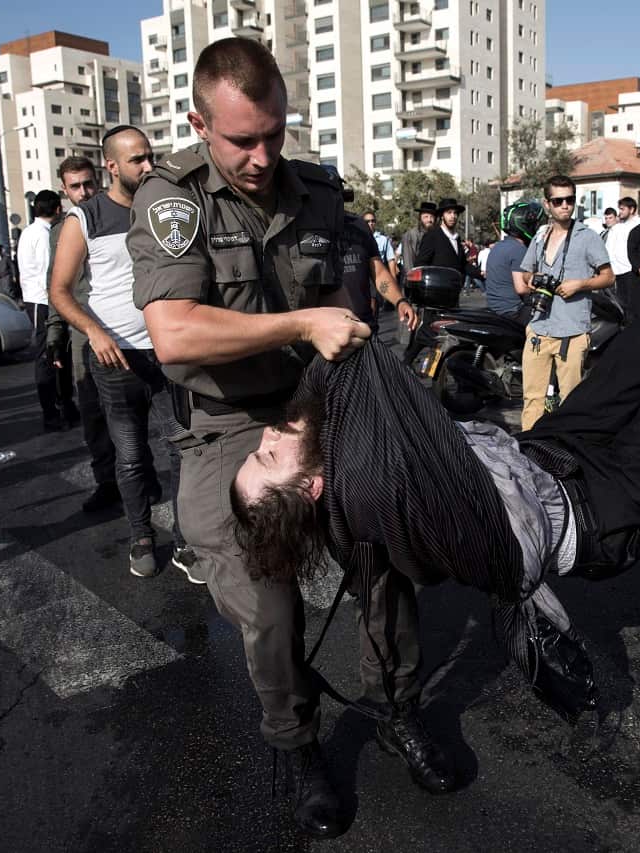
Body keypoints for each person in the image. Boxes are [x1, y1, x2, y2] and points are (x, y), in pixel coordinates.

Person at [229, 239, 640, 755]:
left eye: (259, 449)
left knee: (639, 349)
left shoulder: (338, 451)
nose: (267, 437)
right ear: (310, 489)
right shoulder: (367, 486)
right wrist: (315, 325)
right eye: (268, 459)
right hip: (601, 516)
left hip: (551, 459)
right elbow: (367, 364)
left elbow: (333, 378)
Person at [127, 38, 440, 839]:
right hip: (227, 423)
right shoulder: (173, 200)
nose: (264, 155)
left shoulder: (320, 193)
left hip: (317, 401)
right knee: (269, 596)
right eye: (241, 140)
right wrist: (301, 321)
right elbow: (175, 335)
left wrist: (328, 394)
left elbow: (347, 300)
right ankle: (296, 742)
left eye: (275, 133)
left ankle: (395, 702)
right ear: (200, 123)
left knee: (384, 540)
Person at [50, 126, 194, 580]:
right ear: (112, 166)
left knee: (183, 451)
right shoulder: (85, 219)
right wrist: (94, 332)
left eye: (150, 156)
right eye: (137, 160)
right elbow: (59, 290)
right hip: (117, 359)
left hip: (170, 352)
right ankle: (141, 536)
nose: (148, 166)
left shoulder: (166, 209)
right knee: (131, 456)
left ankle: (188, 542)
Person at [44, 155, 120, 514]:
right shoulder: (63, 230)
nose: (84, 191)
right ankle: (107, 482)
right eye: (75, 186)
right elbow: (57, 288)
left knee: (136, 408)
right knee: (92, 411)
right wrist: (54, 338)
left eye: (89, 183)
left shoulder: (119, 212)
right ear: (64, 190)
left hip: (125, 326)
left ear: (100, 178)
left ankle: (141, 475)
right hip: (82, 331)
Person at [514, 175, 615, 430]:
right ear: (547, 204)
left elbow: (608, 277)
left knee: (571, 403)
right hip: (539, 329)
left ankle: (566, 455)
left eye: (570, 199)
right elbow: (525, 273)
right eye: (558, 201)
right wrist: (532, 278)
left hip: (571, 332)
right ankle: (529, 451)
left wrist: (580, 284)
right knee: (533, 399)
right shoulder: (540, 236)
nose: (565, 206)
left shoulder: (587, 236)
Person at [19, 189, 78, 431]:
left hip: (42, 300)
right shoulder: (44, 236)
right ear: (57, 209)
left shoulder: (30, 232)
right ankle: (52, 412)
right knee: (47, 356)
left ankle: (64, 405)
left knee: (58, 356)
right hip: (43, 301)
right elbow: (51, 273)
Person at [334, 174, 417, 333]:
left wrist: (399, 301)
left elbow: (378, 272)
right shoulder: (309, 233)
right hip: (326, 333)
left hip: (363, 326)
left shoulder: (358, 225)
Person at [485, 200, 546, 324]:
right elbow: (521, 288)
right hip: (513, 311)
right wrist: (542, 289)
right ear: (525, 226)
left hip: (495, 308)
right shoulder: (519, 250)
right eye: (535, 224)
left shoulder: (498, 246)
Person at [415, 198, 481, 281]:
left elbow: (463, 264)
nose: (453, 216)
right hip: (436, 289)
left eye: (455, 213)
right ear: (442, 216)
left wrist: (480, 273)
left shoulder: (457, 238)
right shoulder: (432, 236)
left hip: (453, 289)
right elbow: (420, 264)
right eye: (449, 213)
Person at [605, 196, 640, 310]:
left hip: (631, 270)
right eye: (619, 209)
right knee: (621, 303)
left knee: (632, 304)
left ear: (632, 209)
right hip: (618, 271)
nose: (620, 212)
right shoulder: (619, 227)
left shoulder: (639, 225)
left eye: (622, 209)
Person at [360, 209, 398, 283]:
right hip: (363, 278)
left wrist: (394, 280)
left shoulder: (383, 240)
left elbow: (391, 260)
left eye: (372, 221)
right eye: (367, 221)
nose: (370, 223)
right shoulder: (358, 239)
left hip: (379, 277)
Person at [399, 201, 436, 276]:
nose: (429, 220)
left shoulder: (437, 235)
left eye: (432, 217)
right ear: (420, 218)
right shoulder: (410, 235)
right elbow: (408, 264)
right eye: (426, 217)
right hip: (416, 279)